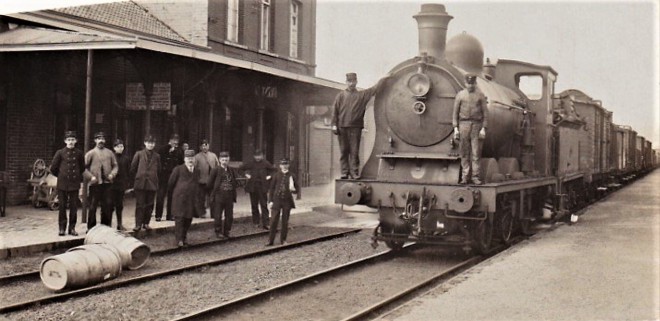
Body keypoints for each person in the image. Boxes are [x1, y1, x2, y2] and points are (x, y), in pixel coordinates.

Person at [331, 72, 388, 179]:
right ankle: (344, 172)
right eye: (349, 81)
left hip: (355, 128)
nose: (351, 84)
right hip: (342, 127)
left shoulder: (362, 95)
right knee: (344, 151)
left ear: (356, 82)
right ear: (346, 82)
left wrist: (383, 79)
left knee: (354, 151)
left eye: (353, 81)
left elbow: (374, 89)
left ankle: (354, 172)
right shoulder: (340, 96)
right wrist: (334, 124)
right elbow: (335, 111)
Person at [452, 73, 489, 185]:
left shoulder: (480, 96)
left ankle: (475, 177)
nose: (470, 86)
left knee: (476, 153)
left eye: (472, 83)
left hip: (476, 126)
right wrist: (455, 128)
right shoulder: (460, 95)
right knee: (464, 152)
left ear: (475, 83)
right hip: (463, 125)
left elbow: (485, 114)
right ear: (465, 83)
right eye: (468, 83)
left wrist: (483, 128)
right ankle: (465, 177)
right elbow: (455, 113)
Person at [50, 131, 84, 236]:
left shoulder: (79, 153)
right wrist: (61, 176)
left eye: (73, 140)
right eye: (69, 140)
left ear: (76, 141)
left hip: (74, 184)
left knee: (74, 207)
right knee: (62, 206)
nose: (71, 142)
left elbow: (82, 167)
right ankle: (62, 228)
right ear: (65, 141)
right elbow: (53, 168)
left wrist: (77, 177)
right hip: (63, 183)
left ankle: (72, 228)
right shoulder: (60, 153)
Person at [168, 149, 203, 247]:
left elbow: (197, 184)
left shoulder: (197, 171)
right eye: (188, 158)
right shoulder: (178, 169)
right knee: (179, 219)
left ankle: (183, 238)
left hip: (191, 200)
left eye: (192, 158)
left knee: (188, 219)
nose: (190, 160)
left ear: (194, 159)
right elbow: (171, 183)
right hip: (179, 200)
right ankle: (179, 240)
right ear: (184, 159)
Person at [84, 131, 118, 230]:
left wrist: (112, 174)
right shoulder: (90, 153)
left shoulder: (110, 153)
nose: (101, 141)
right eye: (99, 139)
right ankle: (91, 228)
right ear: (95, 140)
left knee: (107, 205)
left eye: (102, 139)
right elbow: (83, 168)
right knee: (92, 206)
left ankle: (105, 227)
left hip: (107, 184)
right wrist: (91, 177)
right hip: (95, 184)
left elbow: (115, 166)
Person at [266, 159, 301, 246]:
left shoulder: (292, 176)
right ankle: (270, 241)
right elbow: (271, 189)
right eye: (282, 164)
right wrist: (270, 201)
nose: (284, 166)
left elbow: (297, 189)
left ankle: (283, 240)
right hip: (276, 201)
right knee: (273, 221)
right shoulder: (276, 175)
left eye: (286, 164)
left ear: (288, 165)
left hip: (287, 201)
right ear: (280, 166)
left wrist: (294, 190)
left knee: (285, 221)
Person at [130, 135, 161, 232]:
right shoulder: (139, 154)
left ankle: (146, 223)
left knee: (150, 204)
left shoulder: (157, 156)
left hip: (152, 183)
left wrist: (153, 177)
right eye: (149, 143)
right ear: (145, 143)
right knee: (140, 204)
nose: (150, 145)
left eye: (152, 143)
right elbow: (133, 168)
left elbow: (159, 169)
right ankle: (138, 224)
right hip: (141, 183)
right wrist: (138, 178)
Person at [240, 149, 275, 229]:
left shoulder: (266, 163)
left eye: (259, 155)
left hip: (262, 187)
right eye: (256, 156)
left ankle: (266, 223)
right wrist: (246, 175)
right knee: (254, 205)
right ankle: (256, 222)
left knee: (264, 205)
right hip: (253, 187)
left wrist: (269, 176)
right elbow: (241, 169)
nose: (258, 157)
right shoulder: (251, 163)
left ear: (262, 156)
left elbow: (274, 171)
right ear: (254, 156)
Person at [207, 151, 239, 239]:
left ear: (228, 160)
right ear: (220, 160)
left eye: (226, 159)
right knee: (218, 215)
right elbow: (209, 184)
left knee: (229, 216)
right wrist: (212, 195)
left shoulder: (231, 170)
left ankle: (227, 231)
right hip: (219, 196)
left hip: (229, 196)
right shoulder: (215, 170)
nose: (225, 161)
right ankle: (218, 231)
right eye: (223, 160)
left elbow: (234, 182)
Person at [156, 134, 183, 221]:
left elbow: (180, 163)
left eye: (177, 141)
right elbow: (159, 162)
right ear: (170, 140)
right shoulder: (163, 149)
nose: (175, 142)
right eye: (174, 140)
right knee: (160, 195)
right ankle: (158, 215)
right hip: (163, 176)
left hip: (173, 176)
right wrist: (169, 153)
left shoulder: (179, 151)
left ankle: (170, 215)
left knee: (172, 196)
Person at [194, 139, 218, 217]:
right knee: (201, 198)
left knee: (213, 198)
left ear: (209, 146)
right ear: (200, 147)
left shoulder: (213, 155)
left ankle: (214, 214)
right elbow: (194, 168)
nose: (204, 147)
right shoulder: (197, 157)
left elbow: (217, 166)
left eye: (206, 145)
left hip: (211, 180)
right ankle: (202, 213)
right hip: (201, 180)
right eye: (202, 146)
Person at [110, 139, 131, 231]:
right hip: (111, 185)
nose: (120, 148)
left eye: (122, 146)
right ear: (114, 148)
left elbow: (128, 172)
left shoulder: (126, 158)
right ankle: (108, 224)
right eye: (118, 146)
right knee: (110, 205)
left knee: (119, 205)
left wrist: (127, 185)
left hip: (121, 185)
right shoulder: (111, 157)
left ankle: (119, 224)